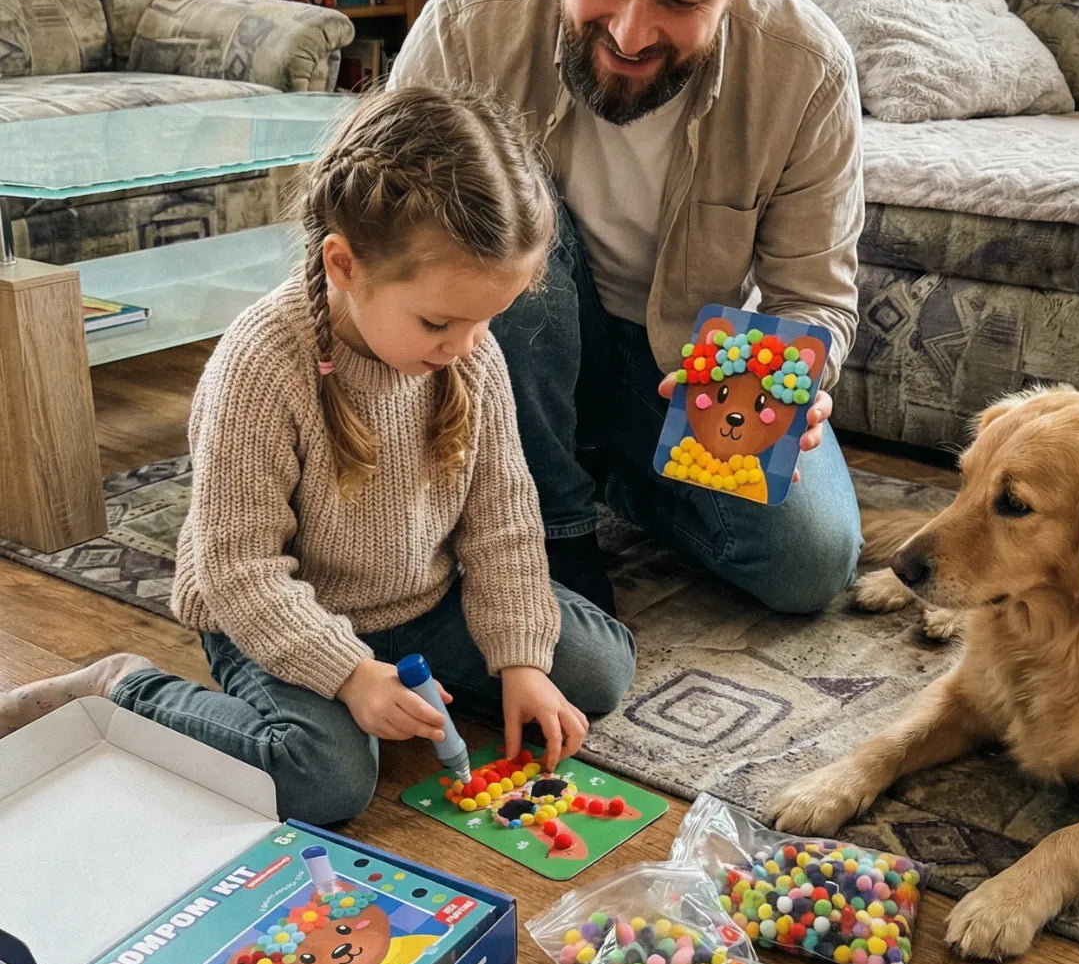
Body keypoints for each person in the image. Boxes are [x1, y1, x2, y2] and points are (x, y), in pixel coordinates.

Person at [0, 85, 637, 824]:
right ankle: (124, 691)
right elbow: (238, 572)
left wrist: (522, 661)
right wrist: (348, 674)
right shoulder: (263, 363)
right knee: (323, 779)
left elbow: (503, 525)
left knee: (599, 666)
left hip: (421, 607)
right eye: (439, 321)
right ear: (344, 264)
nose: (466, 346)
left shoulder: (469, 356)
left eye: (486, 320)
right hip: (272, 613)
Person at [387, 0, 864, 617]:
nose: (631, 32)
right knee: (505, 214)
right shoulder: (469, 22)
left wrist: (802, 375)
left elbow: (813, 298)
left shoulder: (807, 70)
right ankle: (553, 520)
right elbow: (379, 234)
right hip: (507, 358)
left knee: (807, 562)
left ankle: (607, 469)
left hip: (689, 363)